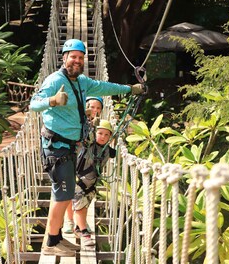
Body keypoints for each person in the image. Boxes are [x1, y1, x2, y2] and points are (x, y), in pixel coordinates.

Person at [30, 38, 145, 256]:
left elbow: (105, 87)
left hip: (70, 148)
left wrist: (130, 89)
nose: (77, 60)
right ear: (64, 58)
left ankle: (56, 239)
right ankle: (51, 243)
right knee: (62, 195)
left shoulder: (82, 82)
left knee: (64, 194)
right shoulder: (54, 80)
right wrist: (52, 101)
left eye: (81, 57)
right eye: (73, 56)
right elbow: (34, 104)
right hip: (57, 148)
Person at [62, 96, 104, 234]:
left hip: (89, 163)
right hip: (72, 156)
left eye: (98, 108)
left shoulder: (101, 124)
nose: (95, 110)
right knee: (70, 188)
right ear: (86, 107)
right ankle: (69, 220)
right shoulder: (76, 119)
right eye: (92, 107)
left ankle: (81, 221)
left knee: (86, 191)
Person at [73, 120, 116, 246]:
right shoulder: (88, 145)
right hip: (78, 181)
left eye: (107, 135)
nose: (103, 137)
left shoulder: (109, 150)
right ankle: (84, 233)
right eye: (100, 133)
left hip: (91, 184)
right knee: (80, 207)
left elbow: (118, 151)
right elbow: (86, 135)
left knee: (84, 207)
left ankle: (78, 227)